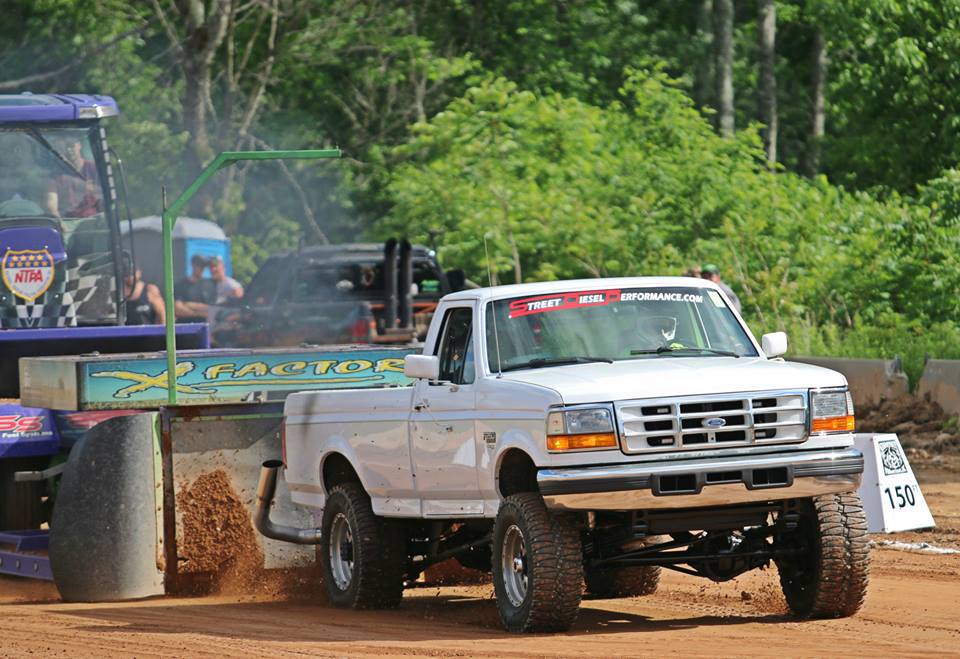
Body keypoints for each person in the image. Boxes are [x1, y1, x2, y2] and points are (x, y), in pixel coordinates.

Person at [46, 138, 102, 218]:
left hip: (93, 220)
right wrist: (61, 225)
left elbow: (105, 194)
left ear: (79, 145)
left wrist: (84, 186)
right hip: (68, 222)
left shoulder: (94, 169)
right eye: (65, 147)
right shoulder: (56, 175)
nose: (69, 150)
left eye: (71, 145)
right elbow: (52, 206)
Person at [122, 255, 165, 325]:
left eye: (133, 272)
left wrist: (160, 334)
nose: (130, 276)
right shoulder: (117, 293)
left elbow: (162, 314)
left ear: (140, 272)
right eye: (127, 273)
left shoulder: (150, 290)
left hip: (147, 334)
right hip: (123, 334)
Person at [174, 254, 217, 322]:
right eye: (200, 266)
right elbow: (178, 309)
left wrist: (188, 305)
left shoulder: (210, 285)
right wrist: (199, 313)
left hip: (204, 328)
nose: (202, 269)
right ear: (193, 265)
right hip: (185, 328)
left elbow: (211, 309)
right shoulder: (181, 285)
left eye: (203, 266)